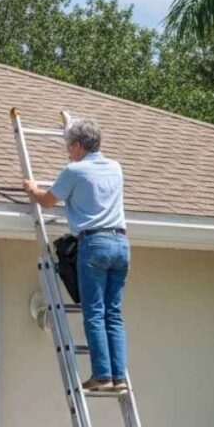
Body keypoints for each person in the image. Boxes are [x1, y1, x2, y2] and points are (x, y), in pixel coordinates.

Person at [23, 117, 130, 393]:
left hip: (94, 243)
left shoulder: (75, 170)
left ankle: (102, 375)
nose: (67, 151)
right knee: (113, 314)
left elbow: (48, 201)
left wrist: (32, 188)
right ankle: (119, 378)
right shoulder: (116, 167)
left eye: (69, 146)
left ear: (80, 146)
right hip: (121, 244)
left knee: (94, 312)